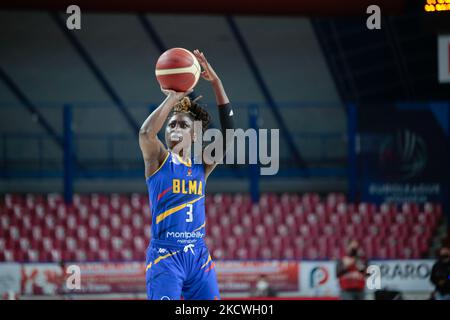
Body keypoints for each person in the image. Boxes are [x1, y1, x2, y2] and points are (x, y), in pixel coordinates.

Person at [139, 49, 235, 300]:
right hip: (165, 256)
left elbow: (230, 136)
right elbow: (146, 134)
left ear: (194, 134)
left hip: (198, 257)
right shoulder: (158, 159)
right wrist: (174, 97)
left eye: (183, 124)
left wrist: (216, 83)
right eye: (172, 124)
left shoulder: (201, 165)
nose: (175, 129)